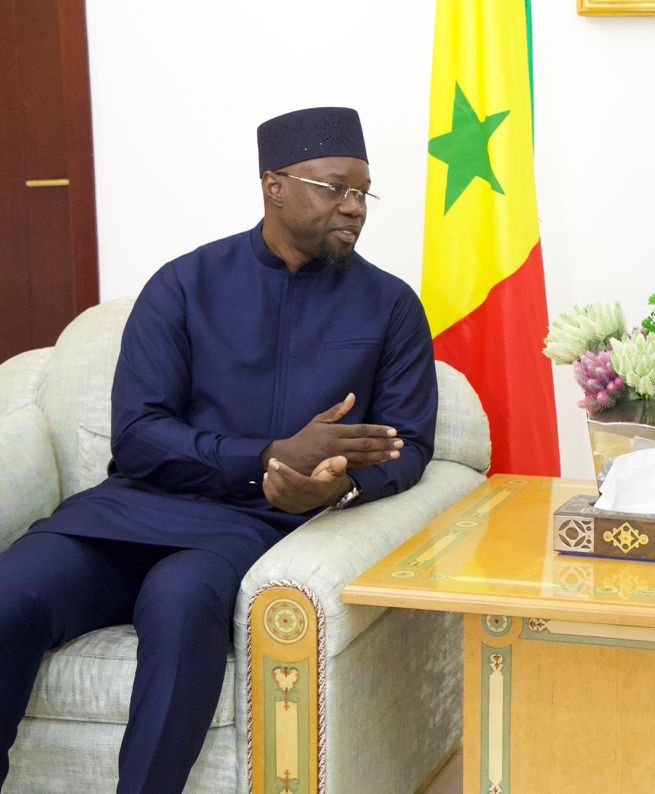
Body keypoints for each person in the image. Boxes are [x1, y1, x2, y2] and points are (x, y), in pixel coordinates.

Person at [0, 107, 437, 793]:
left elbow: (408, 444)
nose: (354, 208)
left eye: (362, 192)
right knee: (10, 591)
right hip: (130, 510)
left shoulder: (390, 305)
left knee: (180, 600)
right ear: (274, 186)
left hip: (250, 524)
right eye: (334, 189)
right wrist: (267, 454)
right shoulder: (184, 284)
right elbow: (138, 434)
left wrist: (336, 488)